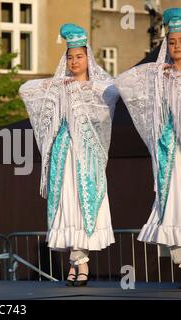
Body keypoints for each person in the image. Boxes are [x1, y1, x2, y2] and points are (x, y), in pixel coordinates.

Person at [20, 24, 119, 287]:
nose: (74, 61)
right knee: (67, 204)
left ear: (89, 58)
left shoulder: (99, 87)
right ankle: (77, 264)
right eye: (70, 57)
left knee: (82, 204)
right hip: (64, 154)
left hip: (86, 156)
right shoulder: (60, 87)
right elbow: (26, 89)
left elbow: (114, 93)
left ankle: (81, 263)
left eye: (79, 56)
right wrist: (57, 84)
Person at [115, 7, 181, 272]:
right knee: (172, 205)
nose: (176, 47)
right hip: (171, 152)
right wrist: (157, 71)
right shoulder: (160, 77)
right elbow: (124, 81)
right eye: (172, 42)